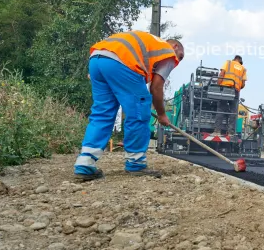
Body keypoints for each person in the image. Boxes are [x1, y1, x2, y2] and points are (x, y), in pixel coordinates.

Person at [73, 30, 184, 181]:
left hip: (97, 60)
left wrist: (105, 71)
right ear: (175, 46)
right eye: (181, 57)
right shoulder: (168, 52)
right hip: (120, 62)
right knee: (139, 111)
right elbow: (156, 88)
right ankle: (136, 163)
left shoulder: (149, 44)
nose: (178, 62)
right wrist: (162, 114)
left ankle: (85, 163)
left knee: (102, 113)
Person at [215, 55, 247, 136]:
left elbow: (221, 74)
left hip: (225, 89)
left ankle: (217, 131)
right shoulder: (243, 69)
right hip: (235, 91)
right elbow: (243, 84)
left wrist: (218, 86)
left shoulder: (228, 63)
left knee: (221, 109)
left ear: (234, 59)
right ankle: (230, 132)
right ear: (240, 62)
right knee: (233, 111)